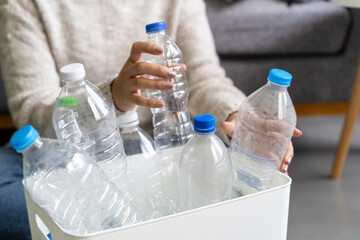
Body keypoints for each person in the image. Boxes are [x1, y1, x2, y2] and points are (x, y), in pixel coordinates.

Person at [0, 0, 302, 239]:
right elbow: (31, 108)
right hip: (71, 155)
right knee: (13, 204)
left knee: (224, 186)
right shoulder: (26, 4)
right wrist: (112, 97)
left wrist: (236, 117)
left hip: (163, 142)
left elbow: (202, 77)